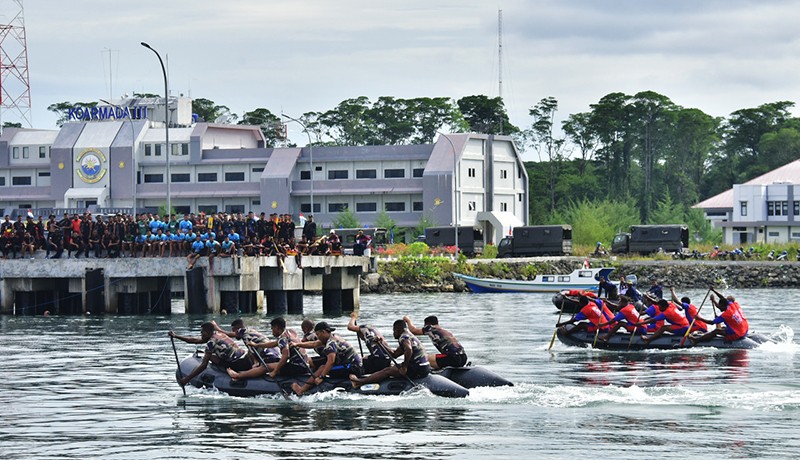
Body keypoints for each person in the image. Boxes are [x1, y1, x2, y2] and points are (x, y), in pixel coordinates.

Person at [350, 319, 431, 389]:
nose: (393, 333)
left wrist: (405, 367)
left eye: (394, 330)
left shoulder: (403, 337)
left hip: (417, 368)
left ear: (398, 329)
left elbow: (409, 349)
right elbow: (394, 354)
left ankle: (359, 382)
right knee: (392, 368)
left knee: (387, 371)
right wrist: (380, 343)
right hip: (425, 367)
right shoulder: (409, 336)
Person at [168, 322, 252, 387]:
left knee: (209, 356)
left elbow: (203, 365)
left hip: (238, 365)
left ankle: (222, 369)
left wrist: (186, 379)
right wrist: (176, 336)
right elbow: (194, 340)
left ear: (207, 332)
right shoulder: (219, 334)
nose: (201, 334)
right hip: (245, 359)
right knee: (211, 355)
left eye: (202, 332)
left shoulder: (211, 343)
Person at [290, 321, 363, 395]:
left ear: (323, 332)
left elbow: (331, 361)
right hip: (351, 364)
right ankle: (311, 379)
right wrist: (297, 344)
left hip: (353, 367)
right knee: (320, 365)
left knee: (322, 368)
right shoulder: (332, 337)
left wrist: (321, 377)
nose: (317, 337)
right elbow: (314, 344)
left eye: (318, 334)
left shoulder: (330, 343)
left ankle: (301, 390)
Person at [228, 317, 308, 380]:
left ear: (277, 327)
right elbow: (273, 344)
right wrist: (257, 345)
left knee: (265, 367)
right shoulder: (290, 332)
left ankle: (238, 376)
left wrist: (275, 371)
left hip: (296, 367)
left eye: (272, 328)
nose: (272, 331)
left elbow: (285, 356)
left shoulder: (283, 339)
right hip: (305, 363)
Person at [403, 315, 468, 369]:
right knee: (434, 356)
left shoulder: (430, 328)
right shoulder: (443, 330)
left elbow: (414, 331)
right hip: (463, 357)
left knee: (422, 358)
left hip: (452, 358)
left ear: (427, 324)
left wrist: (407, 320)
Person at [213, 319, 280, 364]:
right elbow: (250, 351)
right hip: (276, 354)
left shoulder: (242, 331)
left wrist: (216, 328)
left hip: (269, 356)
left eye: (233, 330)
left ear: (235, 329)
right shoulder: (250, 331)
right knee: (248, 356)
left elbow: (228, 334)